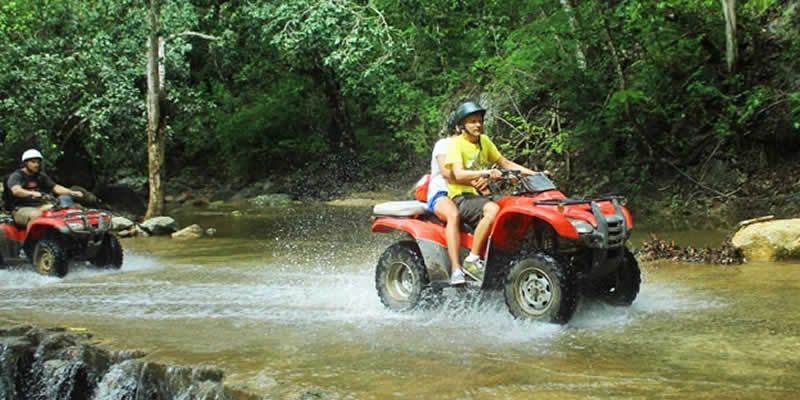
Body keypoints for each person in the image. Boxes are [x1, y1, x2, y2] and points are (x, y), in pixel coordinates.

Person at [444, 101, 539, 281]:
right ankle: (472, 260)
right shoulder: (456, 144)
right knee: (492, 209)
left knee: (515, 205)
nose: (478, 124)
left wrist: (537, 174)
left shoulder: (484, 141)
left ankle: (513, 254)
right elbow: (458, 173)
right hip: (461, 197)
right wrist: (486, 172)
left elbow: (506, 164)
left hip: (481, 196)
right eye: (472, 121)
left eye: (479, 120)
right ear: (462, 125)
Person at [427, 114, 467, 285]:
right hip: (441, 193)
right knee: (453, 215)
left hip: (464, 193)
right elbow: (447, 173)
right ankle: (456, 269)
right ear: (458, 127)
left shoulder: (471, 147)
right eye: (469, 124)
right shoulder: (443, 145)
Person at [6, 149, 83, 226]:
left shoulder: (40, 175)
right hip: (21, 209)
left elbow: (55, 187)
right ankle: (35, 237)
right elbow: (16, 191)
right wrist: (32, 193)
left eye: (38, 162)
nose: (36, 165)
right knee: (36, 215)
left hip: (40, 206)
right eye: (33, 162)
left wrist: (72, 192)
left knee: (67, 209)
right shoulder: (17, 176)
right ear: (25, 163)